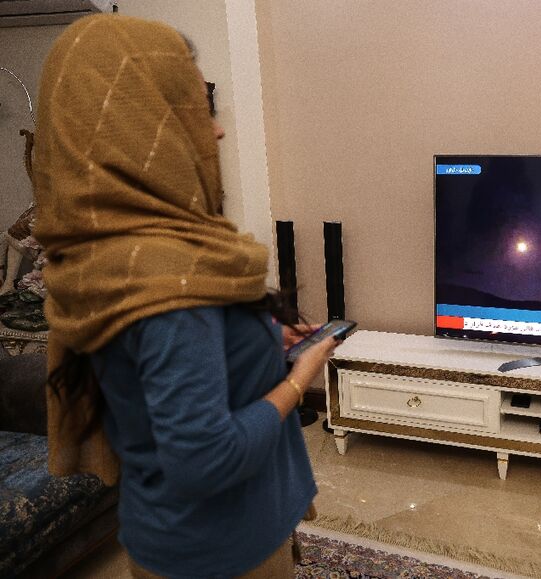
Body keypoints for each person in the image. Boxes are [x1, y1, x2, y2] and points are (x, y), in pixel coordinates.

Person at [32, 14, 336, 578]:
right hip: (225, 552)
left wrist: (269, 336)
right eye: (200, 107)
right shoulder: (169, 281)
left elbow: (159, 380)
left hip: (176, 537)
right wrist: (300, 379)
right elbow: (205, 460)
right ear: (142, 127)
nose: (217, 131)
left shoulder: (103, 253)